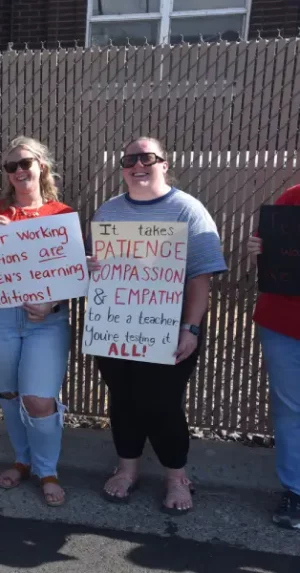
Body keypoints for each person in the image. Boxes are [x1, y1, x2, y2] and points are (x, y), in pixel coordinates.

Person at [89, 137, 227, 514]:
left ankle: (176, 476)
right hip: (115, 325)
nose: (137, 164)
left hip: (168, 328)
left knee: (162, 403)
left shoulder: (187, 209)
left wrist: (192, 328)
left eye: (147, 157)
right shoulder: (109, 211)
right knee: (124, 400)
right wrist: (91, 266)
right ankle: (127, 468)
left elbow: (201, 277)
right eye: (129, 158)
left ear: (164, 164)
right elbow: (99, 267)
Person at [0, 137, 73, 507]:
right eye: (10, 167)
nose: (17, 172)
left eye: (24, 163)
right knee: (10, 393)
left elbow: (74, 274)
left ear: (41, 165)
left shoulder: (61, 214)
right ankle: (23, 460)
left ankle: (48, 470)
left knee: (39, 399)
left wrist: (51, 302)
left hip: (46, 321)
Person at [247, 183, 300, 530]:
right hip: (284, 323)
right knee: (291, 409)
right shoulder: (294, 196)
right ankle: (295, 491)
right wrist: (258, 246)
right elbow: (270, 239)